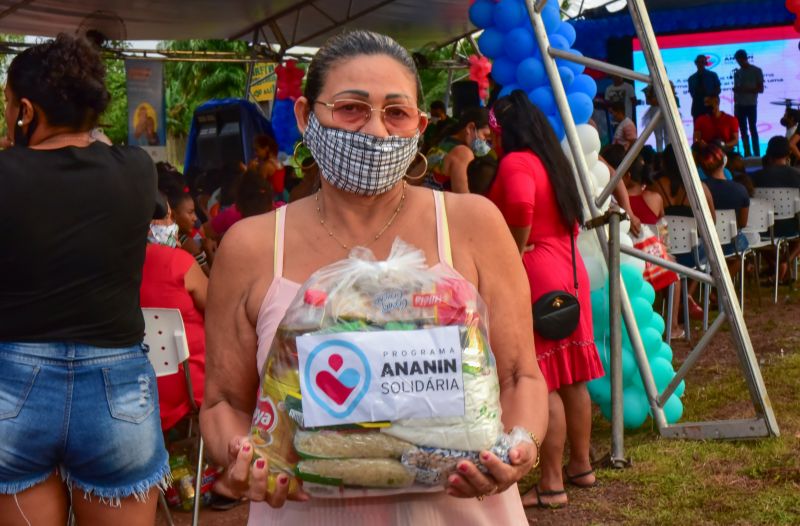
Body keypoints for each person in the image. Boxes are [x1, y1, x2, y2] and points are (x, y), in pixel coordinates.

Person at [199, 30, 547, 525]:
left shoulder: (474, 224)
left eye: (396, 113)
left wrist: (522, 448)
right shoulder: (251, 247)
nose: (376, 132)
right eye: (351, 109)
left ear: (420, 126)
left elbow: (521, 376)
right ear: (305, 116)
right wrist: (239, 458)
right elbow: (222, 403)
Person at [0, 34, 168, 525]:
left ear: (25, 110)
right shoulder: (138, 172)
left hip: (11, 385)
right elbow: (102, 149)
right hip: (118, 389)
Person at [487, 90, 603, 509]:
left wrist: (514, 250)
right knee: (572, 377)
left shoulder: (517, 163)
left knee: (548, 379)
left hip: (538, 274)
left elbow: (519, 203)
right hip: (571, 273)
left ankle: (552, 484)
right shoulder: (553, 161)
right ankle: (580, 466)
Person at [140, 201, 207, 431]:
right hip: (187, 384)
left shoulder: (118, 265)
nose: (172, 225)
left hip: (136, 385)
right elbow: (216, 307)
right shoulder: (180, 262)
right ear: (151, 224)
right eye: (167, 218)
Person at [694, 142, 749, 277]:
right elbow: (742, 223)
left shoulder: (698, 190)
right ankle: (721, 288)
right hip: (731, 245)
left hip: (703, 244)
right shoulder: (740, 189)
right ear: (724, 161)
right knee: (743, 249)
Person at [751, 136, 800, 283]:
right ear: (788, 154)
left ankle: (777, 265)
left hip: (763, 229)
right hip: (791, 226)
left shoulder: (755, 177)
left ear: (768, 153)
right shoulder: (797, 175)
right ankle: (785, 262)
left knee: (752, 236)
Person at [425, 107, 491, 193]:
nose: (488, 144)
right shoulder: (463, 153)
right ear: (470, 128)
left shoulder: (441, 144)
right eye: (486, 136)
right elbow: (463, 199)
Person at [732, 49, 764, 158]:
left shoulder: (756, 71)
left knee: (753, 129)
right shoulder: (737, 73)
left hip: (751, 104)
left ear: (744, 58)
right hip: (739, 105)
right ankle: (747, 153)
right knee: (743, 130)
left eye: (739, 60)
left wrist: (744, 89)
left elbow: (761, 89)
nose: (738, 63)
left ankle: (757, 154)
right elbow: (737, 89)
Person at [688, 54, 721, 119]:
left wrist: (711, 96)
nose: (700, 64)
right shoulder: (691, 78)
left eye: (702, 62)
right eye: (698, 62)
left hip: (711, 106)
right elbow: (692, 94)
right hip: (697, 107)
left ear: (705, 63)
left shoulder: (712, 75)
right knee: (698, 127)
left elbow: (718, 89)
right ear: (695, 63)